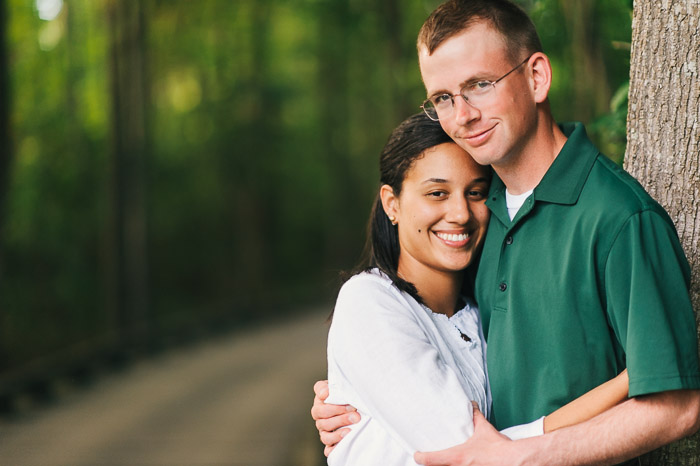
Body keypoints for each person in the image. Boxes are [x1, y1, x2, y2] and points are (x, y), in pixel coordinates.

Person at [312, 1, 700, 464]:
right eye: (442, 98)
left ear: (536, 77)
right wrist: (356, 396)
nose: (462, 116)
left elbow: (678, 407)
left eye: (479, 85)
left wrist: (523, 457)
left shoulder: (619, 218)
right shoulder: (480, 217)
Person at [325, 112, 629, 465]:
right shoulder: (367, 300)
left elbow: (500, 439)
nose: (460, 213)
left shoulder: (481, 314)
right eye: (437, 193)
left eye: (476, 193)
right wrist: (631, 381)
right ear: (392, 204)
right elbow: (471, 451)